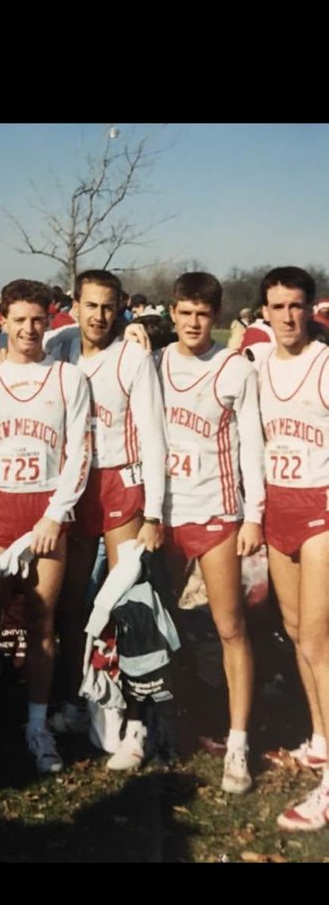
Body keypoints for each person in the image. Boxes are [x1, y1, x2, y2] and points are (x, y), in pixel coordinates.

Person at [0, 279, 91, 773]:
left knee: (43, 624)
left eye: (38, 319)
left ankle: (36, 725)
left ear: (50, 320)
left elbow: (79, 455)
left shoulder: (69, 378)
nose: (30, 329)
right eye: (20, 319)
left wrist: (56, 513)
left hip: (44, 516)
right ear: (1, 321)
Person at [45, 269, 167, 770]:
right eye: (90, 305)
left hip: (121, 482)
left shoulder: (133, 357)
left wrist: (154, 511)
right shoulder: (58, 345)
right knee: (72, 604)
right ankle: (80, 699)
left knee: (128, 606)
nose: (99, 315)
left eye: (108, 306)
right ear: (74, 304)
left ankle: (137, 721)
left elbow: (154, 436)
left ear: (121, 309)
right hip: (75, 484)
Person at [156, 272, 265, 794]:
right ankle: (178, 720)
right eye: (185, 312)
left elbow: (251, 448)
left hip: (218, 514)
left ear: (215, 318)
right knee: (167, 625)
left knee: (229, 627)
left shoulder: (233, 367)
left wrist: (254, 514)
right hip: (167, 516)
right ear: (171, 312)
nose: (194, 322)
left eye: (203, 314)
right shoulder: (154, 363)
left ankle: (238, 742)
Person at [256, 267, 329, 831]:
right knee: (295, 630)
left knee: (319, 641)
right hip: (276, 510)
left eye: (296, 306)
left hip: (320, 511)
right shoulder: (256, 367)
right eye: (277, 307)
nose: (287, 316)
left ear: (310, 310)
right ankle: (320, 738)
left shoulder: (325, 364)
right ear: (264, 311)